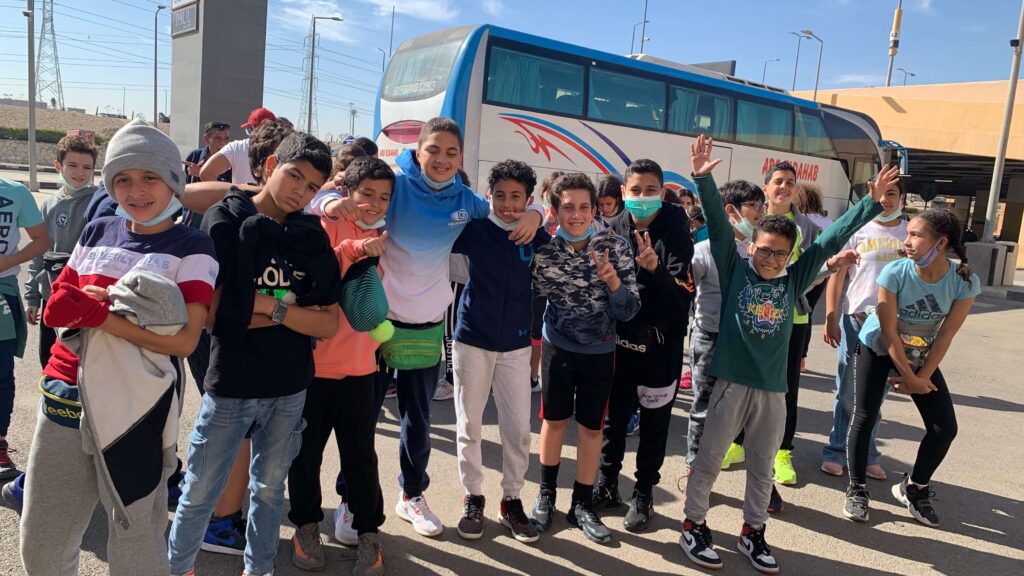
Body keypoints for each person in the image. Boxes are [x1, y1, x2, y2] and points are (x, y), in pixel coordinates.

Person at [311, 117, 544, 539]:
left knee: (416, 422)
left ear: (460, 158)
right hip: (376, 324)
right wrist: (328, 201)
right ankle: (350, 500)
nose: (441, 159)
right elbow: (335, 192)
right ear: (418, 151)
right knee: (361, 422)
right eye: (433, 149)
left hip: (426, 326)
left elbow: (505, 212)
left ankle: (412, 495)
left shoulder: (467, 201)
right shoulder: (395, 186)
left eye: (451, 152)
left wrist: (536, 211)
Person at [678, 135, 890, 574]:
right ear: (750, 247)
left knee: (762, 468)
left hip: (773, 392)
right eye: (764, 250)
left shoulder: (793, 279)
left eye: (780, 253)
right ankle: (693, 525)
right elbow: (717, 221)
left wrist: (869, 205)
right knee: (709, 460)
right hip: (730, 386)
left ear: (791, 254)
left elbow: (830, 239)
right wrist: (702, 178)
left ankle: (752, 531)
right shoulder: (735, 271)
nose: (771, 259)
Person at [19, 118, 217, 576]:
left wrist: (100, 316)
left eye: (150, 177)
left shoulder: (194, 245)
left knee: (136, 549)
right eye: (122, 179)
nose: (136, 191)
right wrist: (87, 309)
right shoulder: (97, 229)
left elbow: (185, 340)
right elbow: (60, 305)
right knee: (42, 546)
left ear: (174, 181)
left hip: (136, 410)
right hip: (64, 397)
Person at [168, 131, 342, 576]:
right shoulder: (226, 219)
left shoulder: (310, 234)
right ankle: (179, 568)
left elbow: (328, 324)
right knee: (199, 491)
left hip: (291, 387)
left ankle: (259, 569)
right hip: (232, 385)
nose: (300, 191)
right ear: (270, 166)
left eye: (311, 186)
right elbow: (216, 315)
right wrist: (294, 313)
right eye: (294, 176)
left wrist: (266, 306)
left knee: (268, 492)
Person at [287, 156, 393, 575]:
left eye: (384, 197)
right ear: (348, 190)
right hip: (314, 369)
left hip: (361, 369)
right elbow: (315, 275)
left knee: (361, 458)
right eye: (367, 193)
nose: (374, 204)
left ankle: (369, 535)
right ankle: (306, 528)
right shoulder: (324, 224)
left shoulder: (386, 233)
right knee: (305, 456)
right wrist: (355, 248)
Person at [844, 209, 979, 527]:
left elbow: (945, 335)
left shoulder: (964, 281)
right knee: (865, 416)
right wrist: (908, 377)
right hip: (878, 347)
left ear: (941, 243)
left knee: (944, 428)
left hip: (921, 353)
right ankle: (857, 489)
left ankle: (914, 488)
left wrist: (923, 376)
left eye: (915, 235)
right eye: (907, 234)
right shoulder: (895, 272)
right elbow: (889, 331)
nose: (906, 241)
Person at [530, 172, 640, 545]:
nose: (576, 215)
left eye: (583, 207)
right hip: (558, 346)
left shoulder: (616, 247)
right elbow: (527, 291)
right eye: (567, 207)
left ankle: (582, 504)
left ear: (595, 209)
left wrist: (613, 283)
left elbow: (629, 310)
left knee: (592, 428)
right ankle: (546, 495)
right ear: (555, 210)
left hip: (600, 350)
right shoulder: (544, 249)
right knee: (554, 421)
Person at [451, 160, 551, 544]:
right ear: (488, 196)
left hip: (517, 344)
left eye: (516, 197)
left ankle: (511, 500)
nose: (507, 205)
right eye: (500, 196)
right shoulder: (475, 229)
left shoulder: (534, 234)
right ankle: (473, 496)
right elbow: (439, 219)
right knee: (470, 425)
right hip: (472, 338)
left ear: (528, 199)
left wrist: (538, 214)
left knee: (518, 429)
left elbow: (563, 239)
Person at [593, 159, 693, 532]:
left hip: (661, 344)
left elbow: (682, 298)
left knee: (654, 423)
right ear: (623, 192)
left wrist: (655, 269)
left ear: (662, 192)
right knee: (614, 419)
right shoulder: (614, 228)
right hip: (620, 341)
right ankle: (606, 484)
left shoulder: (677, 229)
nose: (642, 197)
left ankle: (644, 492)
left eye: (651, 190)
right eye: (635, 190)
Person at [721, 161, 821, 486]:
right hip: (753, 314)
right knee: (744, 382)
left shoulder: (807, 228)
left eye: (790, 181)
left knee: (785, 388)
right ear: (766, 187)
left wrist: (800, 300)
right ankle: (737, 443)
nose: (784, 186)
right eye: (778, 181)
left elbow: (815, 274)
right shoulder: (754, 220)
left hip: (792, 318)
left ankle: (783, 451)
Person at [820, 178, 907, 479]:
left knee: (876, 393)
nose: (886, 200)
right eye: (881, 194)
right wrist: (831, 315)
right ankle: (836, 451)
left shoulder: (910, 232)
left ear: (902, 198)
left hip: (891, 324)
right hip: (855, 320)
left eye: (892, 194)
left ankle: (867, 454)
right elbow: (838, 275)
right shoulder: (859, 229)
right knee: (847, 389)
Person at [683, 179, 765, 477]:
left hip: (744, 343)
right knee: (703, 407)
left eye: (762, 206)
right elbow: (684, 290)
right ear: (730, 211)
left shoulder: (759, 252)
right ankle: (694, 468)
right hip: (710, 338)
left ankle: (717, 461)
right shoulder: (703, 251)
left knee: (735, 410)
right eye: (754, 206)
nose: (760, 212)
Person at [24, 136, 97, 370]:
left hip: (82, 296)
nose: (80, 173)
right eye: (72, 165)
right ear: (58, 166)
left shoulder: (98, 202)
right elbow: (39, 252)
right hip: (51, 294)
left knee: (81, 365)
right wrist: (32, 297)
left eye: (87, 167)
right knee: (48, 360)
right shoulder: (48, 204)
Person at [0, 177, 48, 482]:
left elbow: (41, 239)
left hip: (2, 292)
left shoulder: (15, 192)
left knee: (1, 374)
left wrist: (8, 261)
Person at [529, 171, 564, 393]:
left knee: (548, 334)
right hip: (535, 287)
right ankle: (531, 376)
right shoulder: (537, 218)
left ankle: (541, 376)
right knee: (534, 333)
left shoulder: (568, 219)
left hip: (558, 288)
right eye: (551, 193)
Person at [199, 107, 277, 185]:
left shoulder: (236, 147)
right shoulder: (282, 149)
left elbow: (206, 173)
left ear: (252, 128)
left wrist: (230, 192)